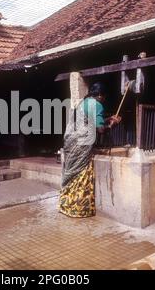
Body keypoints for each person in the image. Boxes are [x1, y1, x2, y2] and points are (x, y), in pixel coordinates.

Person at [59, 82, 121, 218]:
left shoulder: (84, 102)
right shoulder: (97, 105)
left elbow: (90, 121)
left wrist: (107, 119)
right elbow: (100, 130)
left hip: (69, 141)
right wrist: (112, 124)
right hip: (81, 142)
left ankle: (65, 204)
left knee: (71, 171)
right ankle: (77, 207)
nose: (104, 99)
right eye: (104, 97)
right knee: (81, 172)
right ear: (99, 95)